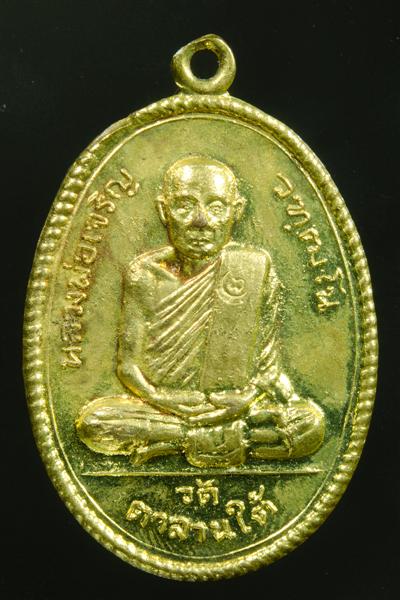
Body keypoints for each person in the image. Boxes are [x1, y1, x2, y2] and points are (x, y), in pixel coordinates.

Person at [76, 156, 325, 467]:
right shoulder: (144, 275)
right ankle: (221, 438)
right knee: (95, 422)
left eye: (217, 208)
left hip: (235, 407)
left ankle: (182, 439)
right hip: (165, 408)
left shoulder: (254, 268)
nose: (201, 221)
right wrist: (165, 399)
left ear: (237, 211)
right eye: (184, 206)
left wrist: (246, 399)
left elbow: (269, 369)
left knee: (311, 423)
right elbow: (128, 368)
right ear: (163, 211)